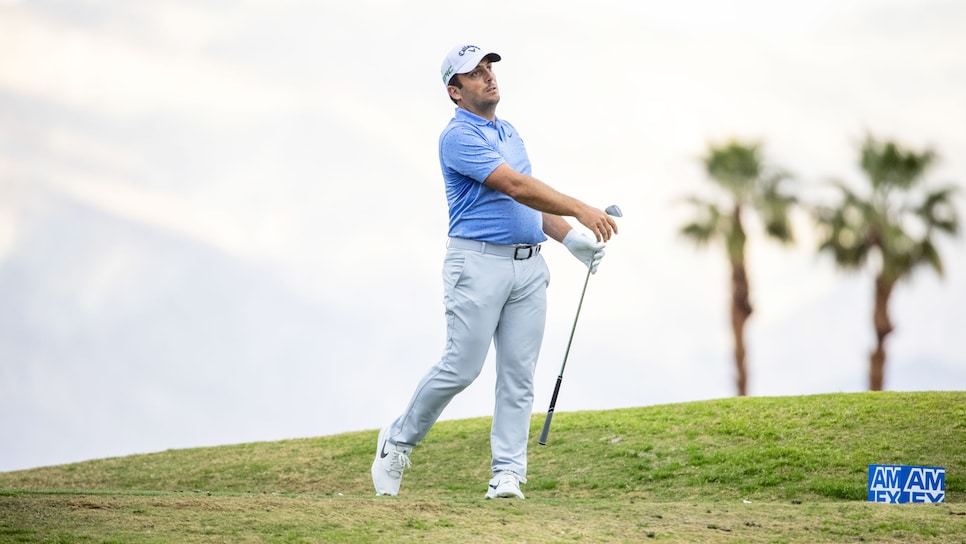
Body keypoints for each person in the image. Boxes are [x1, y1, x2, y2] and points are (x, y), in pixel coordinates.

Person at [371, 44, 619, 499]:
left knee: (519, 375)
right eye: (474, 73)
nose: (488, 76)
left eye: (489, 68)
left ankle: (507, 473)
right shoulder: (457, 136)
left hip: (528, 267)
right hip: (477, 264)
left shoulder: (509, 132)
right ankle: (397, 441)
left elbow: (527, 201)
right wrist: (583, 209)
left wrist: (569, 239)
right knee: (461, 367)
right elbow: (515, 184)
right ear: (455, 91)